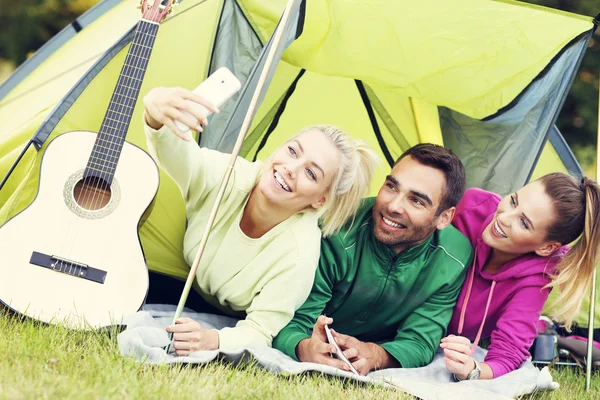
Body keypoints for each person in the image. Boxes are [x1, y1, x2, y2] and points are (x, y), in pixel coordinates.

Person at [142, 86, 380, 354]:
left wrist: (213, 340)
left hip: (229, 315)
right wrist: (154, 112)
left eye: (311, 174)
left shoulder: (299, 254)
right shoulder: (230, 175)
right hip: (172, 280)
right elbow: (181, 157)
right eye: (292, 151)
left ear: (319, 201)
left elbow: (261, 331)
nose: (290, 169)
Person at [273, 143, 473, 375]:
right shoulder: (337, 228)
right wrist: (303, 347)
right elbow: (287, 317)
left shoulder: (454, 257)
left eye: (416, 201)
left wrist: (374, 354)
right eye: (391, 186)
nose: (393, 206)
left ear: (444, 218)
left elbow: (419, 341)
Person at [440, 173, 600, 380]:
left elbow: (507, 355)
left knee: (525, 332)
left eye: (524, 223)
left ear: (546, 247)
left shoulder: (537, 275)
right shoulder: (470, 208)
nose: (504, 218)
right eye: (514, 200)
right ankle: (547, 332)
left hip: (461, 338)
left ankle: (551, 334)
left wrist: (471, 369)